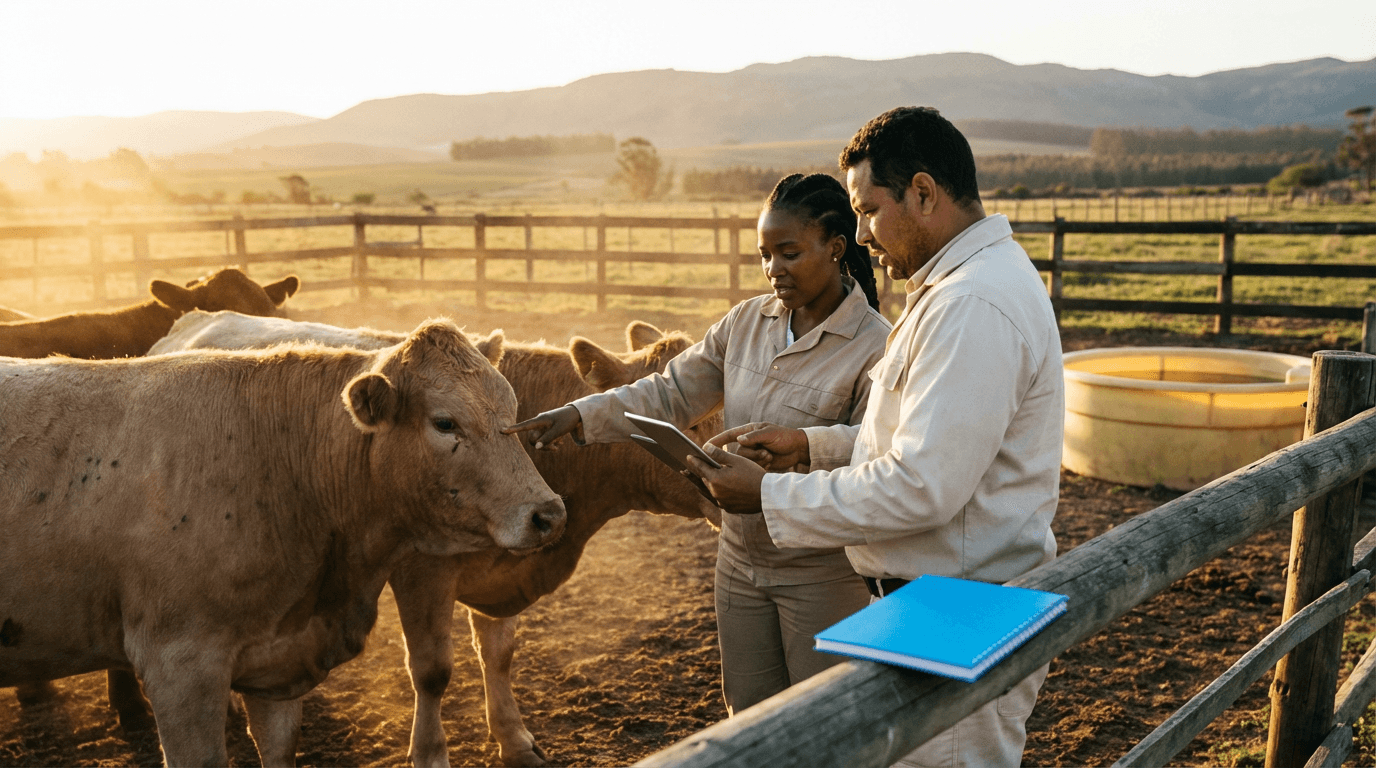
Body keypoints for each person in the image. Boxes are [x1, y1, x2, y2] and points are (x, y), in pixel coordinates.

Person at [684, 107, 1064, 768]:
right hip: (939, 602)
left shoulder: (972, 305)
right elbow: (922, 444)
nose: (860, 234)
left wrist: (771, 496)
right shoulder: (958, 289)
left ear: (923, 192)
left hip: (953, 610)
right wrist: (809, 448)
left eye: (867, 211)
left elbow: (922, 486)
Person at [505, 173, 893, 715]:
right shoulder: (744, 323)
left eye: (788, 253)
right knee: (749, 716)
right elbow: (667, 393)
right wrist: (578, 413)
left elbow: (875, 449)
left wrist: (803, 444)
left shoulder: (878, 346)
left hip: (821, 570)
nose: (773, 270)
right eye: (764, 255)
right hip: (737, 557)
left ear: (835, 247)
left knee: (823, 721)